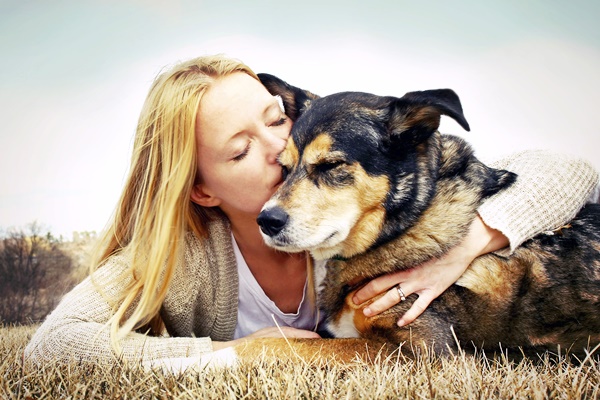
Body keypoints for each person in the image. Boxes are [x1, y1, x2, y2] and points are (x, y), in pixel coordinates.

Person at [24, 54, 599, 368]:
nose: (281, 149)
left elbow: (566, 172)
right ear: (202, 190)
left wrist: (471, 244)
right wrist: (237, 353)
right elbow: (53, 346)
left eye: (276, 120)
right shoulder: (186, 256)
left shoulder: (356, 205)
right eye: (240, 150)